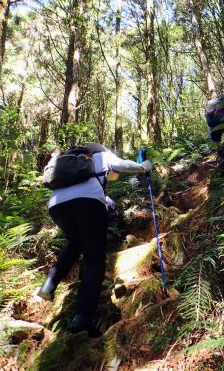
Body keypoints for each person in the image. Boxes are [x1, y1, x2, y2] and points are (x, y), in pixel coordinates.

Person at [37, 142, 152, 337]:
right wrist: (144, 167)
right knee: (95, 260)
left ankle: (49, 284)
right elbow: (123, 166)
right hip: (88, 202)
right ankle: (82, 319)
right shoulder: (101, 155)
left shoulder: (69, 161)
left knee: (75, 242)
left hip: (56, 205)